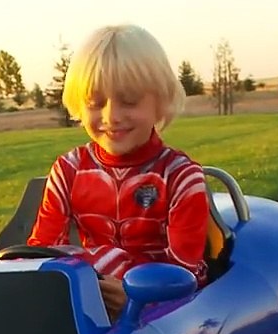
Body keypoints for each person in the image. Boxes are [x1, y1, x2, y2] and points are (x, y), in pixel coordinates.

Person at [14, 24, 210, 319]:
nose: (111, 117)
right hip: (89, 296)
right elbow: (43, 248)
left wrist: (139, 300)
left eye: (129, 101)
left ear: (161, 101)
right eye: (95, 103)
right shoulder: (68, 169)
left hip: (163, 312)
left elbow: (185, 276)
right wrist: (11, 269)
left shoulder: (182, 178)